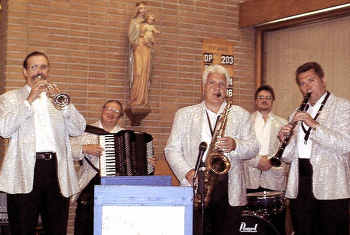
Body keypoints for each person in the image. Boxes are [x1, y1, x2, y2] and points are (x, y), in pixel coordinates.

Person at [164, 64, 259, 235]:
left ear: (227, 89)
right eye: (212, 83)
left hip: (230, 188)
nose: (217, 88)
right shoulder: (184, 115)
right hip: (197, 185)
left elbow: (254, 147)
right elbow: (171, 149)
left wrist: (235, 144)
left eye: (222, 84)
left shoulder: (241, 114)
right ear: (203, 87)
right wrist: (187, 172)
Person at [0, 51, 86, 234]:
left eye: (43, 66)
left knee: (56, 229)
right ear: (25, 71)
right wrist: (29, 99)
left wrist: (63, 104)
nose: (39, 71)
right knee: (22, 229)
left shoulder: (58, 99)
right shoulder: (10, 98)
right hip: (23, 171)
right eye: (34, 66)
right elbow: (4, 129)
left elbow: (78, 129)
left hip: (56, 171)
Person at [278, 62, 350, 235]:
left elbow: (344, 145)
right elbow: (288, 158)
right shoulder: (295, 113)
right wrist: (284, 142)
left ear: (323, 80)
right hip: (300, 184)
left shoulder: (343, 107)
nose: (307, 87)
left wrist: (314, 125)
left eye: (311, 80)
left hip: (331, 187)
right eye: (302, 83)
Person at [70, 100, 156, 235]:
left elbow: (138, 166)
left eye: (116, 111)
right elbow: (66, 150)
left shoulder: (127, 136)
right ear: (102, 110)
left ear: (120, 116)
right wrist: (84, 148)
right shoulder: (85, 132)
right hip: (89, 189)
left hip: (116, 190)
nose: (111, 113)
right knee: (85, 227)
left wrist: (147, 163)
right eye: (109, 108)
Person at [244, 84, 289, 235]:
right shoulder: (245, 122)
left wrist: (270, 161)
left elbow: (288, 152)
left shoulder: (283, 123)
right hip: (249, 180)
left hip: (274, 182)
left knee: (276, 227)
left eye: (268, 98)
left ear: (273, 101)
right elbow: (240, 151)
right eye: (261, 97)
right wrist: (257, 161)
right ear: (255, 101)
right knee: (250, 227)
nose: (264, 100)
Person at [128, 1, 154, 106]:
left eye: (144, 8)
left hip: (146, 47)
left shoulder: (148, 22)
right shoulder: (134, 21)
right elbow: (131, 33)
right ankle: (134, 99)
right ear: (137, 10)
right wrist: (133, 42)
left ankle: (142, 99)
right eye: (141, 8)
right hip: (138, 47)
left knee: (145, 73)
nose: (143, 10)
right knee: (138, 73)